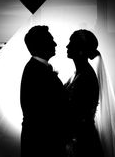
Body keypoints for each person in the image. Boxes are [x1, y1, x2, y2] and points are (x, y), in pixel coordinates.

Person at [20, 25, 67, 157]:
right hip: (42, 144)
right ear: (41, 44)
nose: (55, 43)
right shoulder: (37, 71)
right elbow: (46, 112)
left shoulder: (37, 67)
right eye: (51, 40)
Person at [65, 29, 103, 157]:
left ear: (81, 50)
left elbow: (80, 114)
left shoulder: (86, 77)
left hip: (82, 141)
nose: (67, 46)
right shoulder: (78, 73)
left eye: (71, 43)